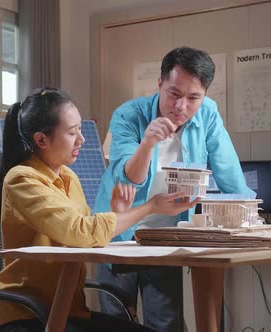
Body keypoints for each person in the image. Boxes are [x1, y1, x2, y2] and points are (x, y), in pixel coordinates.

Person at [0, 87, 199, 332]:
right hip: (29, 318)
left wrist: (119, 212)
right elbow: (82, 232)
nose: (82, 139)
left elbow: (90, 236)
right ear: (41, 140)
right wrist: (151, 207)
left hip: (70, 312)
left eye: (80, 129)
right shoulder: (21, 179)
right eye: (72, 133)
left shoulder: (68, 177)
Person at [93, 47, 255, 331]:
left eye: (194, 97)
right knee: (116, 320)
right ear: (159, 84)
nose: (182, 106)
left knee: (166, 322)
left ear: (204, 94)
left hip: (164, 238)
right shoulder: (129, 115)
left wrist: (250, 217)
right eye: (174, 94)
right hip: (119, 231)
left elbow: (227, 169)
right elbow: (128, 178)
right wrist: (148, 143)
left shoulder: (208, 114)